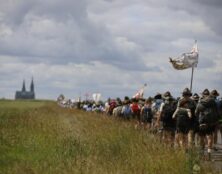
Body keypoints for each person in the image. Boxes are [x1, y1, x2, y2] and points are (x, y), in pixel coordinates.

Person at [195, 89, 219, 160]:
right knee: (209, 137)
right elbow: (217, 113)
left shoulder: (200, 102)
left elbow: (196, 113)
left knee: (201, 138)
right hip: (210, 123)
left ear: (203, 95)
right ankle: (209, 153)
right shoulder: (213, 102)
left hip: (202, 123)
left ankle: (201, 153)